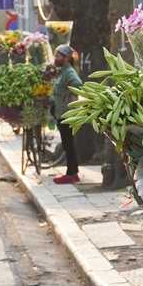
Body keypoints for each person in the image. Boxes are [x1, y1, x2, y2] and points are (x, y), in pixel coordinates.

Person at [51, 44, 82, 184]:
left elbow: (77, 83)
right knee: (68, 144)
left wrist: (70, 95)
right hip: (61, 112)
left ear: (66, 58)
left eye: (58, 56)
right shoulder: (62, 71)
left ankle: (71, 174)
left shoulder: (68, 71)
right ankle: (73, 173)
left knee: (68, 145)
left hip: (66, 114)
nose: (55, 59)